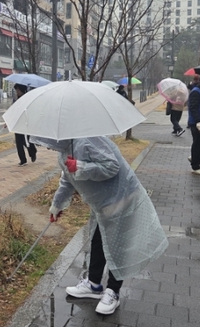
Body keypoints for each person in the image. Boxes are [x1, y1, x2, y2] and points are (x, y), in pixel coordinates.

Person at [33, 135, 168, 315]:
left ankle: (113, 291)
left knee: (117, 245)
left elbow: (112, 166)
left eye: (46, 142)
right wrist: (57, 205)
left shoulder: (89, 140)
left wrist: (81, 167)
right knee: (98, 240)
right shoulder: (63, 152)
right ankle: (94, 284)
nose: (47, 147)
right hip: (103, 205)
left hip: (122, 198)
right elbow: (67, 179)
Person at [13, 84, 37, 166]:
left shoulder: (27, 99)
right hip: (18, 124)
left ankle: (32, 151)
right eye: (16, 90)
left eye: (18, 90)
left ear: (22, 90)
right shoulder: (16, 100)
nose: (17, 92)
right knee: (18, 142)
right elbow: (13, 111)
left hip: (25, 123)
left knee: (26, 140)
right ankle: (23, 160)